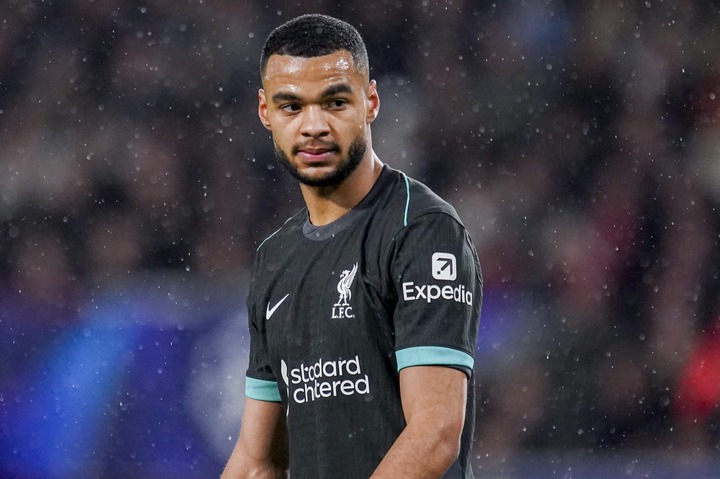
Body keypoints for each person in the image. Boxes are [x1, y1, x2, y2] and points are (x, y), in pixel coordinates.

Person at [221, 13, 482, 479]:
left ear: (371, 102)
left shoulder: (422, 229)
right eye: (291, 107)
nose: (313, 125)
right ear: (265, 113)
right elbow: (258, 462)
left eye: (335, 102)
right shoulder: (274, 257)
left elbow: (436, 433)